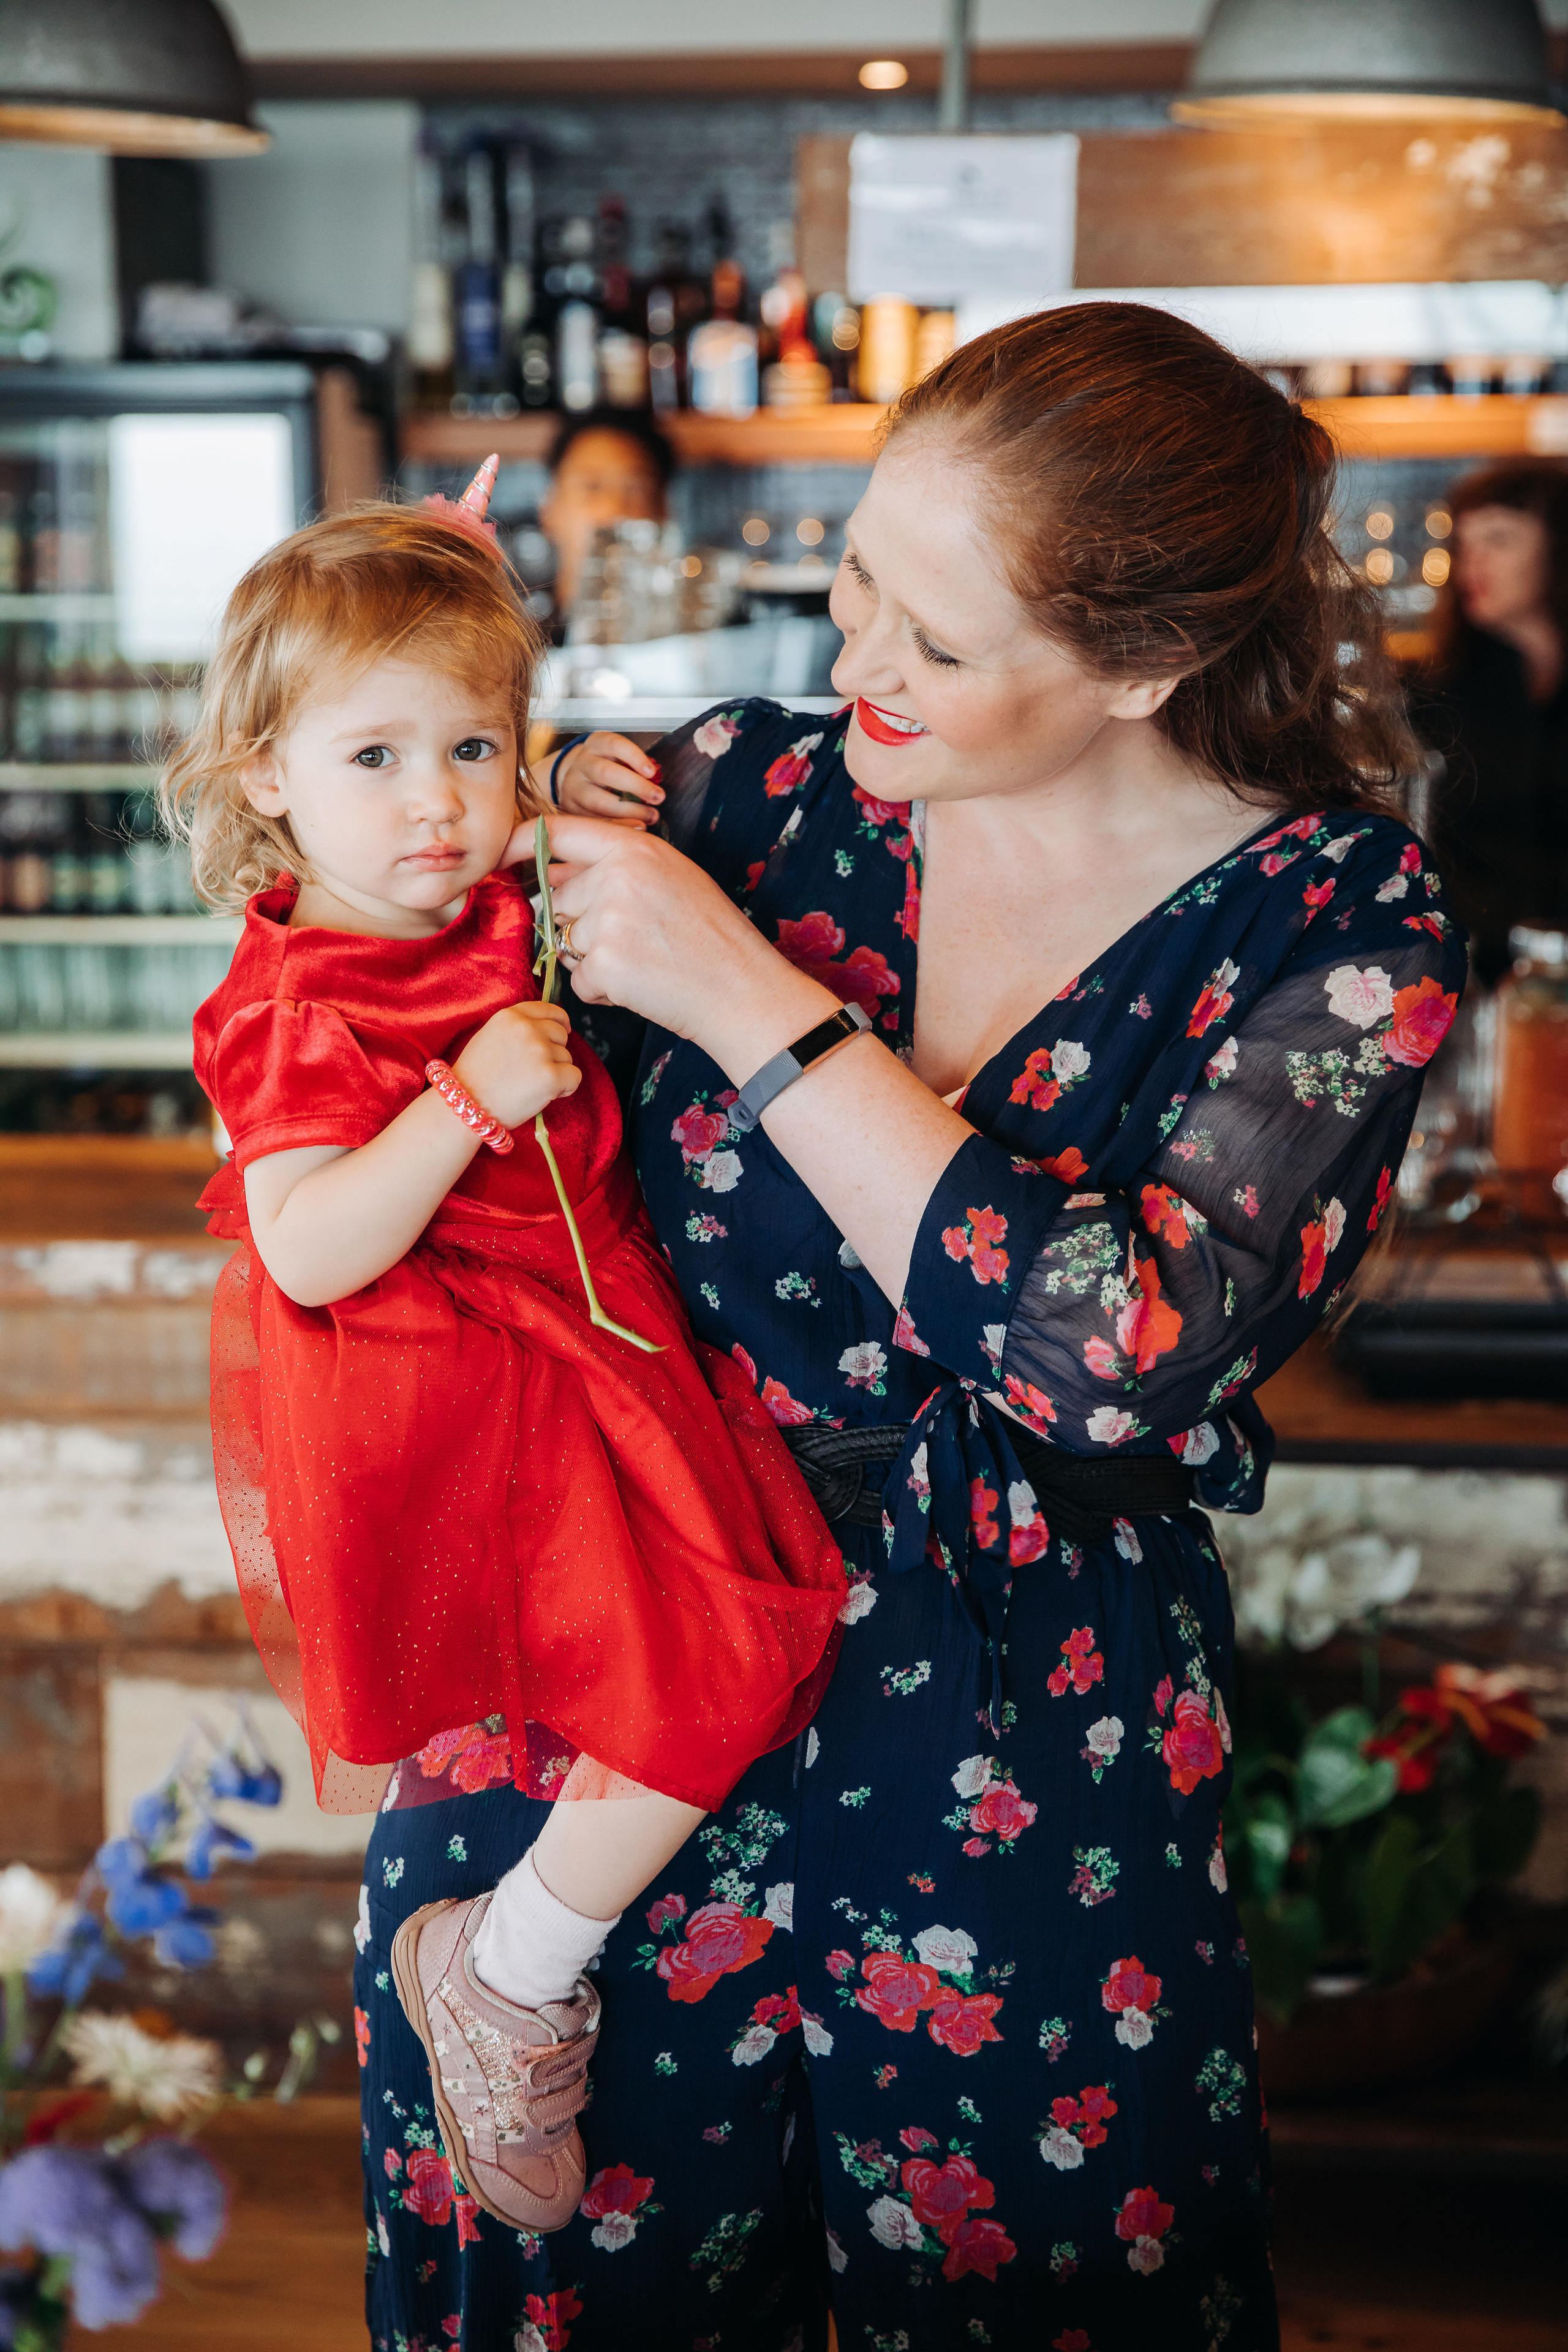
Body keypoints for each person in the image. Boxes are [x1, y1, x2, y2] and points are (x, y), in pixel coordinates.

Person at [358, 304, 1466, 2351]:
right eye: (859, 580)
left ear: (1143, 666)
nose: (857, 659)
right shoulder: (732, 794)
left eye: (936, 645)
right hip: (607, 1675)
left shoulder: (1334, 921)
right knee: (566, 2295)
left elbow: (1118, 1349)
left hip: (1031, 1722)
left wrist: (745, 1003)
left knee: (1038, 2294)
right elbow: (360, 984)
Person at [162, 461, 845, 2241]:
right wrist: (466, 1102)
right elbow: (307, 1244)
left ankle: (512, 1956)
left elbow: (482, 838)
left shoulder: (467, 878)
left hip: (591, 1341)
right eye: (377, 758)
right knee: (721, 1652)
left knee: (756, 1620)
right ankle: (511, 1964)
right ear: (268, 779)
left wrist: (555, 801)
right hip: (473, 1393)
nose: (436, 800)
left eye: (473, 745)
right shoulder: (297, 999)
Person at [1412, 457, 1568, 977]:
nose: (1471, 563)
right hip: (1469, 974)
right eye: (1464, 544)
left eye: (1498, 539)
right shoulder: (1429, 695)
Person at [538, 408, 676, 633]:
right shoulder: (517, 647)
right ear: (549, 511)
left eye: (636, 490)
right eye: (592, 487)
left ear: (664, 512)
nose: (614, 510)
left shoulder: (701, 643)